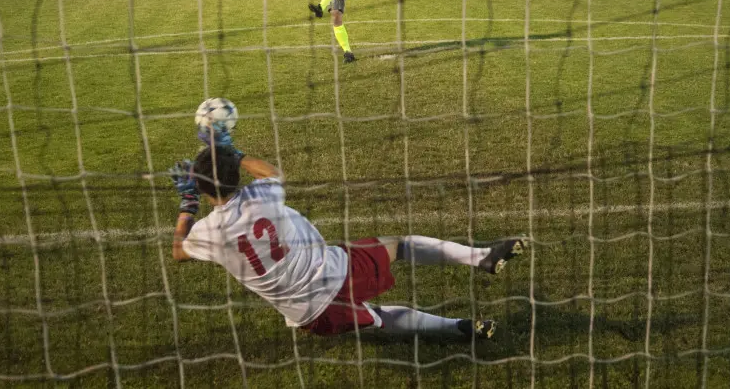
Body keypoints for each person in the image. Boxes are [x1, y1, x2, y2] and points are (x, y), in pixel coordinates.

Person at [170, 131, 527, 338]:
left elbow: (179, 251)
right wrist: (235, 153)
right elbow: (274, 173)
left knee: (378, 317)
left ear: (201, 189)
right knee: (397, 245)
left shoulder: (208, 232)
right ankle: (481, 257)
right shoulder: (263, 195)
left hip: (308, 316)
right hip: (336, 271)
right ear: (235, 175)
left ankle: (460, 327)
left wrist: (187, 205)